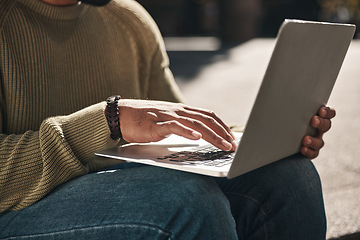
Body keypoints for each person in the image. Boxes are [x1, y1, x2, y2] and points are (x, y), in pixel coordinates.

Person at [0, 0, 335, 239]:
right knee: (186, 202)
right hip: (17, 211)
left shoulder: (128, 19)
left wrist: (267, 139)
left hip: (120, 185)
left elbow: (181, 132)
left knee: (286, 176)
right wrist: (109, 122)